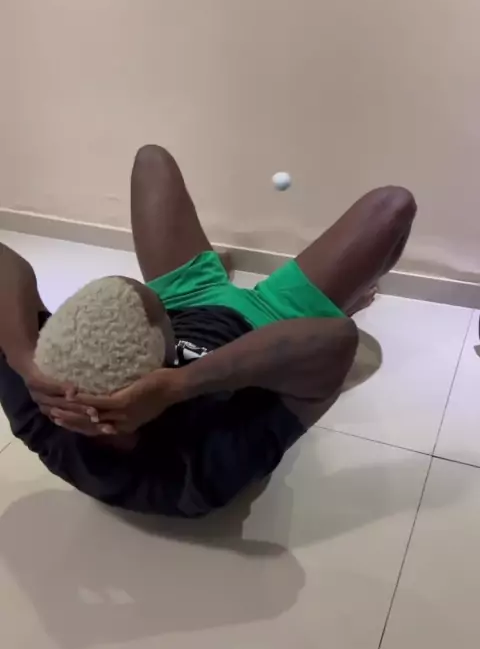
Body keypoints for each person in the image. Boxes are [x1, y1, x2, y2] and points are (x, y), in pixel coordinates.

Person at [0, 145, 416, 517]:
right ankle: (334, 292)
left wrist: (23, 360)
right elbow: (337, 339)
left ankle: (215, 271)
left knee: (151, 160)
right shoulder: (198, 473)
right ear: (159, 364)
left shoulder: (49, 411)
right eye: (156, 313)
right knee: (394, 206)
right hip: (276, 320)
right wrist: (181, 385)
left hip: (187, 298)